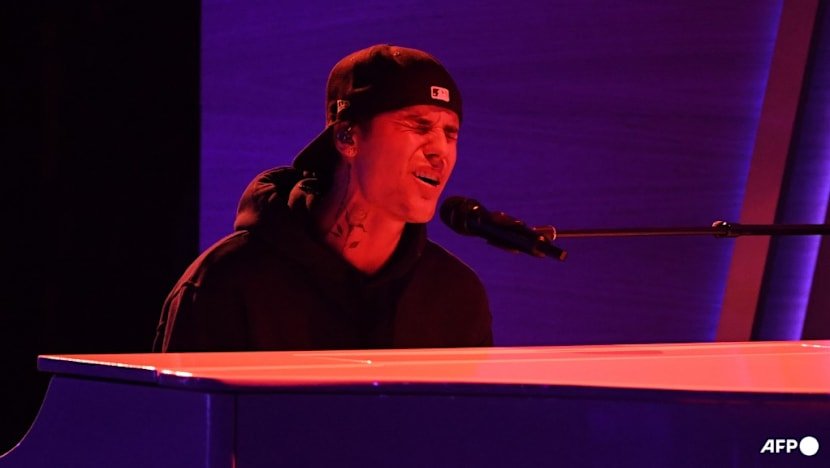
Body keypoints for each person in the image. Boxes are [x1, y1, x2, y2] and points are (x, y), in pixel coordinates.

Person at [153, 44, 493, 352]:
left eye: (450, 133)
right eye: (419, 126)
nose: (440, 151)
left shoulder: (457, 296)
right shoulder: (224, 283)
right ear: (347, 137)